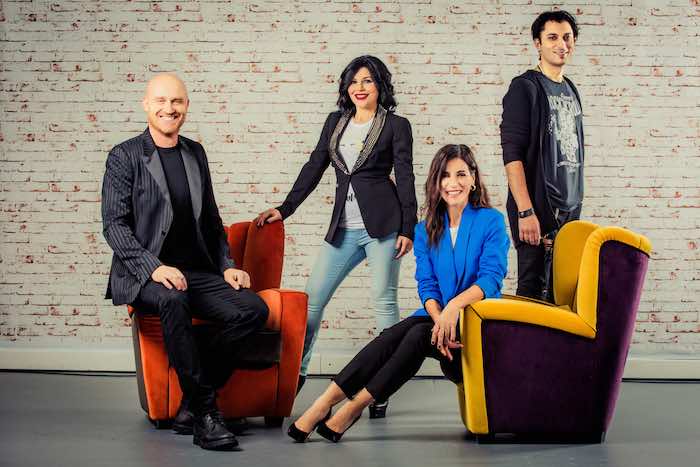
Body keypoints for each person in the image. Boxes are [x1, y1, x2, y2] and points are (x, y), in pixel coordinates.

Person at [286, 144, 509, 443]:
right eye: (444, 175)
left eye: (461, 174)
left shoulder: (491, 221)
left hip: (476, 329)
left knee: (417, 335)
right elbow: (427, 286)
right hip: (440, 325)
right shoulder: (425, 229)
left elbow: (491, 279)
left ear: (473, 179)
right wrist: (441, 319)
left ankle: (352, 407)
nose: (452, 183)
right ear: (436, 182)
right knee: (395, 334)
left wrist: (453, 308)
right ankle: (325, 403)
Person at [101, 73, 269, 451]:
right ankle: (206, 414)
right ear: (146, 105)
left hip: (196, 271)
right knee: (173, 300)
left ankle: (189, 405)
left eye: (176, 101)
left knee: (253, 310)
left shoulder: (195, 153)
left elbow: (210, 218)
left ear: (187, 106)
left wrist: (226, 264)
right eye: (161, 101)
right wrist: (154, 267)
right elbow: (114, 225)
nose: (169, 108)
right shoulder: (125, 156)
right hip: (145, 274)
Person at [254, 55, 418, 417]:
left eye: (368, 81)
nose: (360, 87)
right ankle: (294, 376)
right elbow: (315, 165)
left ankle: (381, 388)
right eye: (354, 81)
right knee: (311, 304)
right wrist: (285, 208)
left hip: (384, 227)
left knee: (384, 303)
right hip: (342, 228)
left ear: (380, 86)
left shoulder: (396, 125)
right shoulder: (335, 122)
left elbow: (405, 176)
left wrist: (409, 228)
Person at [501, 10, 584, 301]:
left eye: (567, 37)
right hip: (536, 209)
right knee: (532, 290)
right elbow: (512, 155)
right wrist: (525, 211)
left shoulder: (570, 89)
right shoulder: (525, 87)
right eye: (552, 37)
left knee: (560, 294)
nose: (561, 44)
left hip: (569, 212)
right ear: (538, 43)